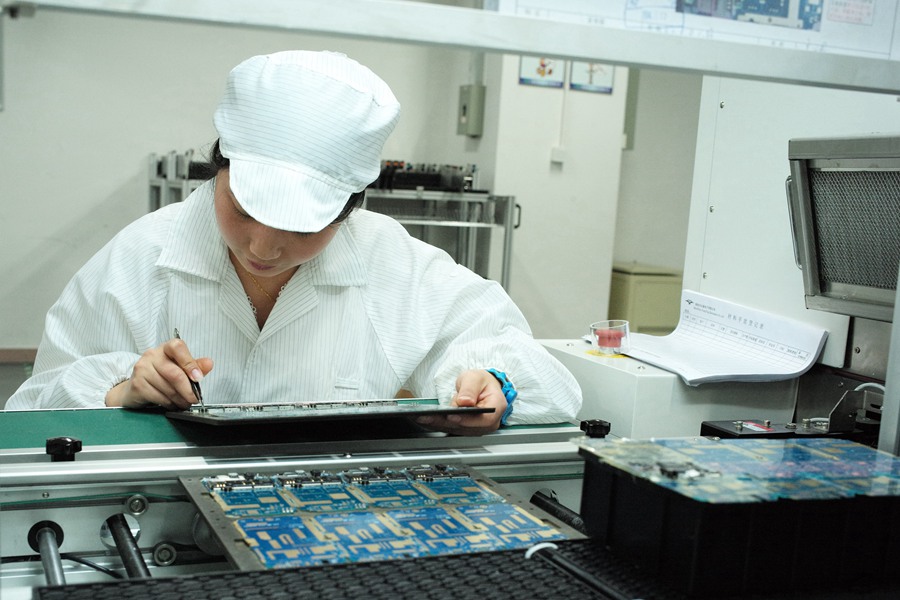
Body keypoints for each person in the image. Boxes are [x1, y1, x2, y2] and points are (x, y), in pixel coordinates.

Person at [6, 50, 582, 435]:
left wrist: (495, 386)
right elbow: (29, 410)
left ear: (350, 209)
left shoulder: (391, 262)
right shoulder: (139, 259)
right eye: (244, 209)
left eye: (302, 229)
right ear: (219, 168)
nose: (262, 248)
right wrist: (120, 390)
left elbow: (548, 381)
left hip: (337, 529)